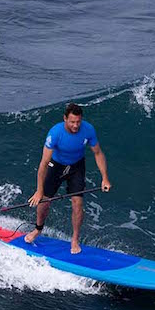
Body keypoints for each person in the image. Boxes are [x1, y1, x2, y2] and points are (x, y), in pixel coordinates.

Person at [25, 103, 111, 253]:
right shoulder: (55, 133)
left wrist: (105, 178)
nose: (76, 125)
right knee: (44, 201)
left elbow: (98, 153)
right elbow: (44, 164)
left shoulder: (88, 129)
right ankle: (38, 229)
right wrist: (39, 191)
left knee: (78, 203)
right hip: (56, 165)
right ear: (65, 119)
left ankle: (75, 239)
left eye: (78, 121)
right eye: (72, 122)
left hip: (77, 166)